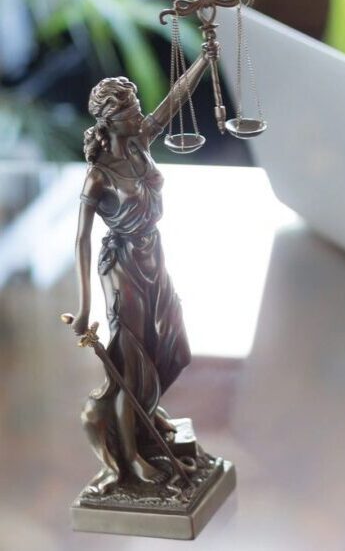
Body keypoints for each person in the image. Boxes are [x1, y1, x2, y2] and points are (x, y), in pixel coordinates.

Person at [63, 44, 216, 494]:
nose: (140, 115)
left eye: (136, 109)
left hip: (155, 256)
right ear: (110, 120)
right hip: (123, 266)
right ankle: (129, 462)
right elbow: (81, 239)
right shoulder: (99, 174)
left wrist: (206, 59)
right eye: (131, 111)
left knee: (172, 347)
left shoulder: (139, 144)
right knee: (132, 367)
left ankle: (147, 419)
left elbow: (174, 101)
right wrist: (85, 306)